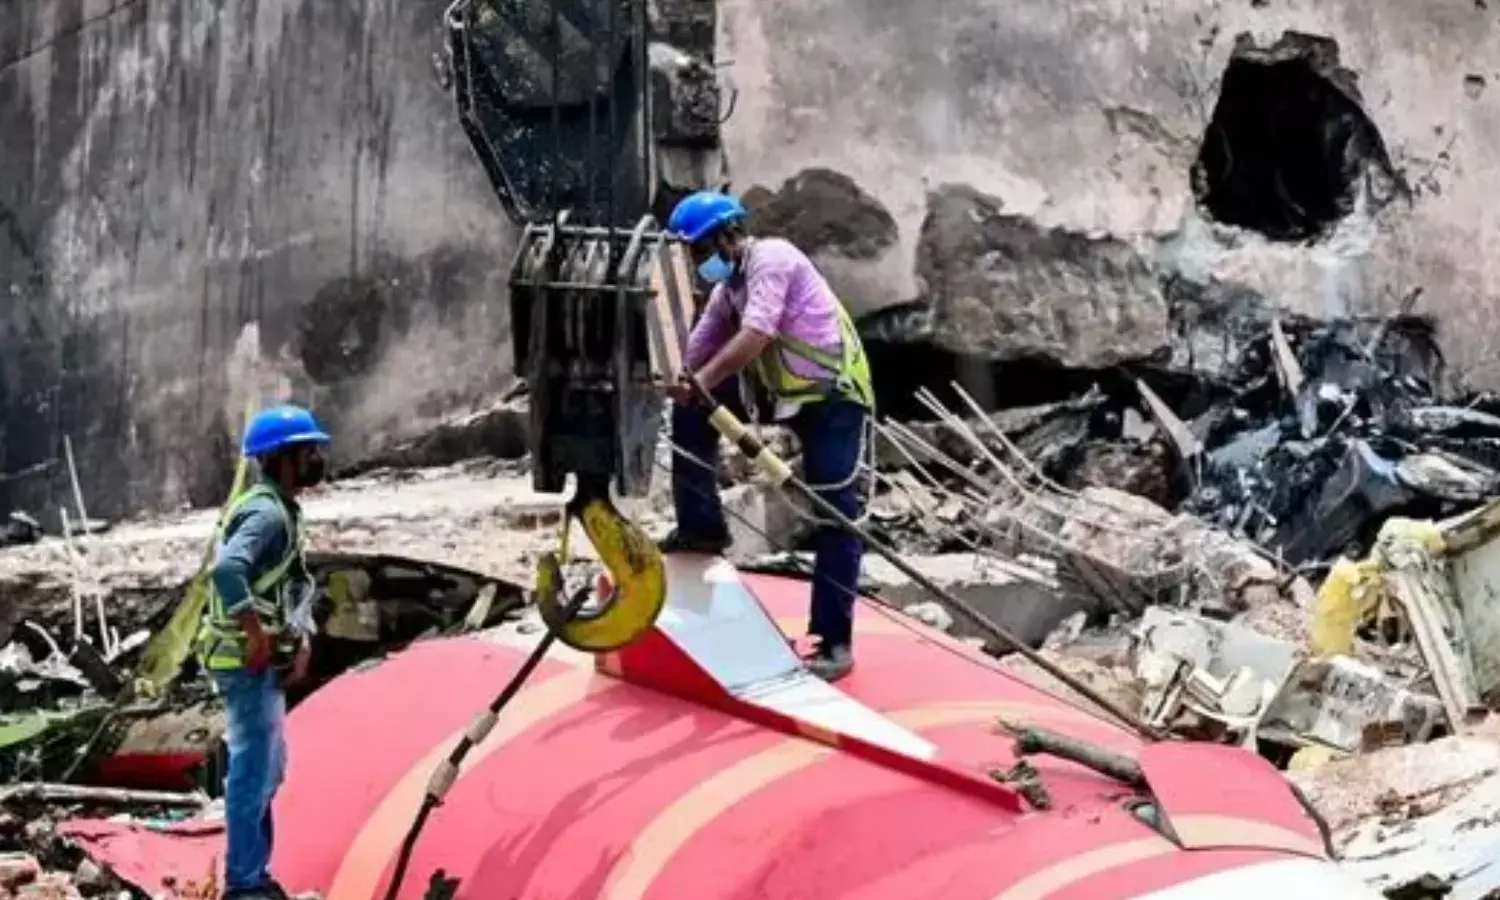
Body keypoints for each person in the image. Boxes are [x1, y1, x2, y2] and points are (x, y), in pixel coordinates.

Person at [662, 190, 875, 683]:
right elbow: (695, 356)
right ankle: (702, 526)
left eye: (700, 250)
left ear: (727, 236)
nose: (698, 262)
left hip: (833, 400)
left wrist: (700, 380)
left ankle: (834, 642)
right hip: (784, 396)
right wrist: (673, 380)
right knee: (690, 412)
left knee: (834, 512)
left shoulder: (773, 258)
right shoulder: (727, 291)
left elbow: (756, 333)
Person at [196, 404, 331, 900]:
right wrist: (256, 635)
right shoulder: (267, 514)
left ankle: (254, 873)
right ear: (278, 459)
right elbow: (228, 571)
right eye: (305, 451)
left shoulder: (279, 508)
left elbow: (288, 586)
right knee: (253, 773)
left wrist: (299, 642)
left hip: (258, 663)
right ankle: (244, 883)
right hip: (245, 663)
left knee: (267, 770)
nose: (315, 459)